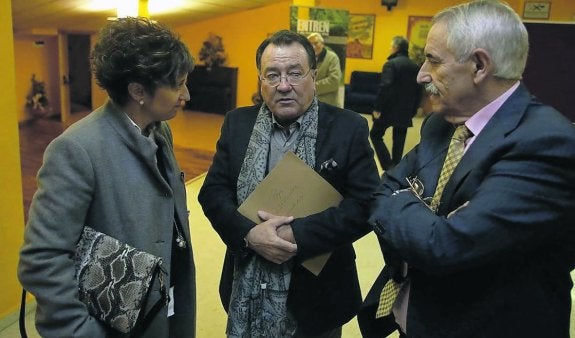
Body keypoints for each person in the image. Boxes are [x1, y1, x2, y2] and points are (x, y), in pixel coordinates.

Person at [361, 1, 575, 337]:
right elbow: (383, 186)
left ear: (478, 65)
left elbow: (442, 245)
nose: (421, 74)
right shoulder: (440, 124)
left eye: (433, 60)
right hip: (416, 316)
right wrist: (415, 205)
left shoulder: (547, 143)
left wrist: (403, 200)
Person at [18, 17, 196, 338]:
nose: (186, 94)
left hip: (161, 304)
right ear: (138, 91)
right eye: (177, 84)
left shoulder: (160, 130)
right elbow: (41, 259)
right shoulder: (76, 149)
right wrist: (82, 332)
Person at [198, 30, 379, 337]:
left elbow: (366, 204)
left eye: (295, 73)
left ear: (314, 76)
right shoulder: (237, 123)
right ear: (260, 79)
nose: (284, 85)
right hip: (246, 282)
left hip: (320, 296)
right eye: (272, 75)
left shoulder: (349, 128)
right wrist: (249, 235)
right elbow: (213, 193)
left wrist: (298, 236)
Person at [370, 36, 422, 171]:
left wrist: (377, 108)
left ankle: (387, 165)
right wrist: (414, 109)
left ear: (395, 48)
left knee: (375, 134)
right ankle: (396, 166)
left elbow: (385, 87)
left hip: (388, 109)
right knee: (399, 140)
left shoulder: (391, 64)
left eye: (391, 46)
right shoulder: (415, 66)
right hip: (406, 110)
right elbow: (419, 90)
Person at [307, 32, 343, 107]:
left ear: (322, 44)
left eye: (316, 43)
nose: (313, 46)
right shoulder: (306, 58)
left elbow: (334, 81)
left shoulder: (332, 57)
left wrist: (311, 88)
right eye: (310, 44)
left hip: (328, 105)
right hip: (309, 105)